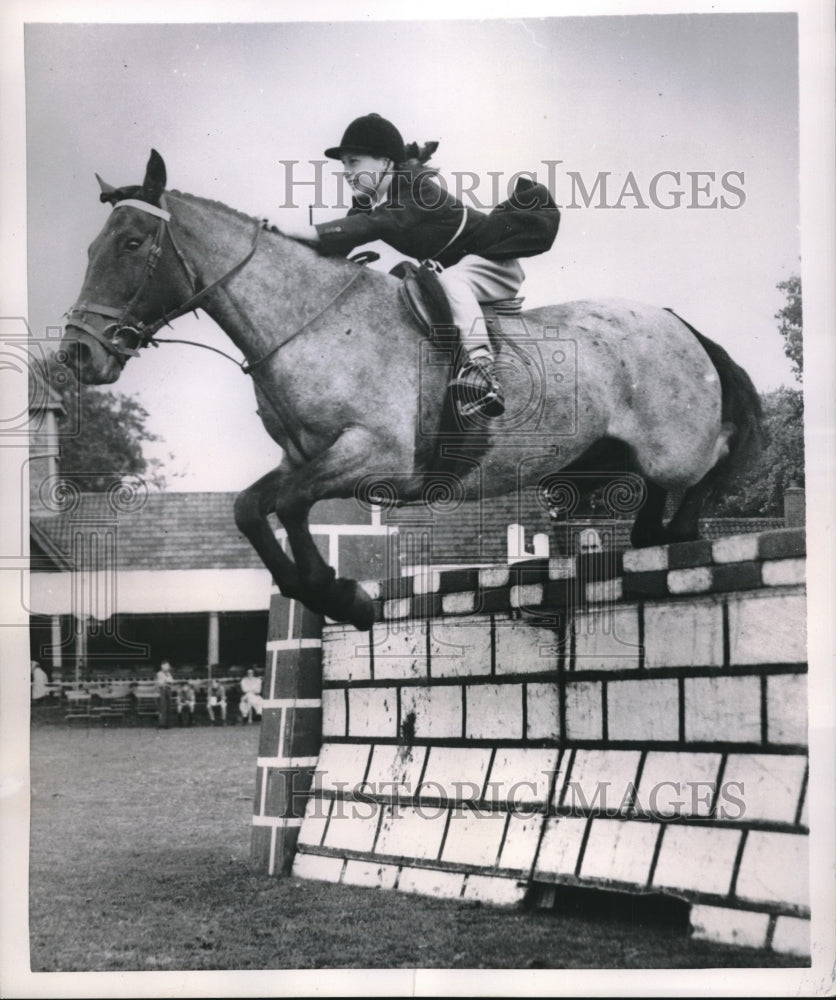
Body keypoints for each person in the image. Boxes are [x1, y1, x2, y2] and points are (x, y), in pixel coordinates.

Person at [278, 112, 559, 418]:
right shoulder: (376, 202)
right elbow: (344, 239)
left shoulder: (418, 192)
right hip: (464, 266)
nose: (345, 172)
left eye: (353, 162)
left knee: (452, 282)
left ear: (385, 162)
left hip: (494, 263)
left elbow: (368, 226)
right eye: (343, 164)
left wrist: (289, 230)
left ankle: (482, 370)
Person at [155, 660, 174, 729]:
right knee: (163, 707)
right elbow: (161, 682)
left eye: (168, 666)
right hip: (162, 690)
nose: (168, 667)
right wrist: (167, 681)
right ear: (162, 666)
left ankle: (167, 724)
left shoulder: (169, 674)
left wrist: (167, 681)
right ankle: (161, 724)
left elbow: (171, 681)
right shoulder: (159, 673)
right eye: (166, 665)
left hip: (168, 690)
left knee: (168, 707)